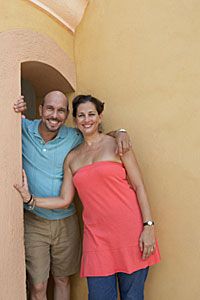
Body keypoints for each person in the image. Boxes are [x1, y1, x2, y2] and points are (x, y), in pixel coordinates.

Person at [15, 94, 160, 300]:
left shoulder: (118, 145)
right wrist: (30, 199)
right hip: (96, 239)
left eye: (91, 114)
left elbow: (139, 187)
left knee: (133, 296)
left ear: (100, 116)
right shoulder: (72, 157)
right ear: (75, 121)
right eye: (81, 115)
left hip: (130, 232)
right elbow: (64, 199)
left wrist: (148, 226)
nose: (87, 119)